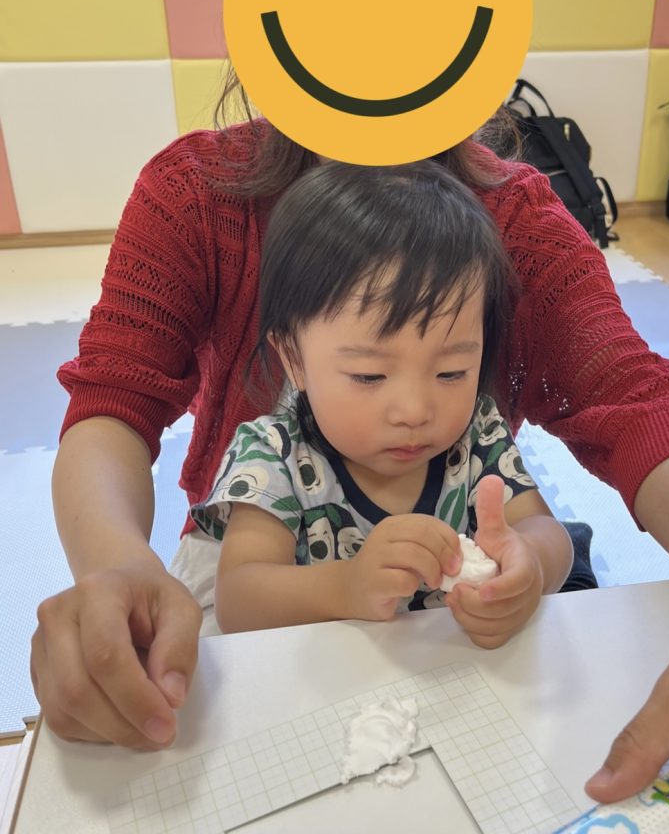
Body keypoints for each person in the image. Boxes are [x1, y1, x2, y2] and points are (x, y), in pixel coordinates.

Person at [31, 0, 669, 815]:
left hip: (452, 574)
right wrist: (114, 567)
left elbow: (632, 398)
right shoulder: (196, 194)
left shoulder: (518, 218)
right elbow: (112, 400)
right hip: (260, 565)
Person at [190, 160, 575, 637]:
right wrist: (346, 586)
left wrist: (529, 565)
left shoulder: (478, 437)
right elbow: (239, 601)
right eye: (370, 376)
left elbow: (549, 535)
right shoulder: (272, 456)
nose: (414, 411)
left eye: (451, 372)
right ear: (293, 358)